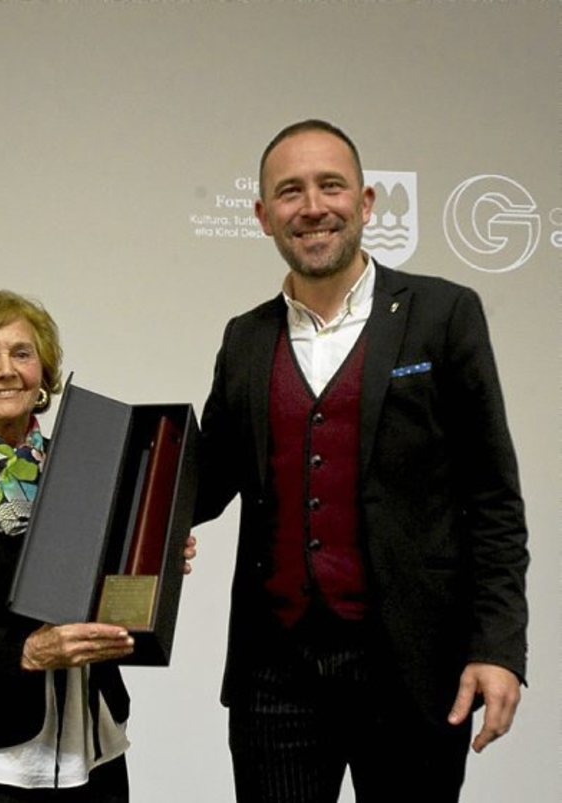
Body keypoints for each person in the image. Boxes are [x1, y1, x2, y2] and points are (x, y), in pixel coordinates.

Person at [194, 120, 529, 803]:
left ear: (367, 202)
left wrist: (498, 647)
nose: (312, 206)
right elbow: (201, 482)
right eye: (290, 191)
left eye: (331, 186)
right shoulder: (246, 338)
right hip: (274, 673)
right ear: (262, 215)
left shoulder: (443, 314)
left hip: (414, 666)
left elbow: (493, 499)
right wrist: (97, 494)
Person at [0, 289, 196, 802]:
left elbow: (101, 582)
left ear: (43, 372)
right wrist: (26, 650)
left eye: (22, 353)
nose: (6, 370)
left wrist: (155, 556)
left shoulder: (88, 465)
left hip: (93, 747)